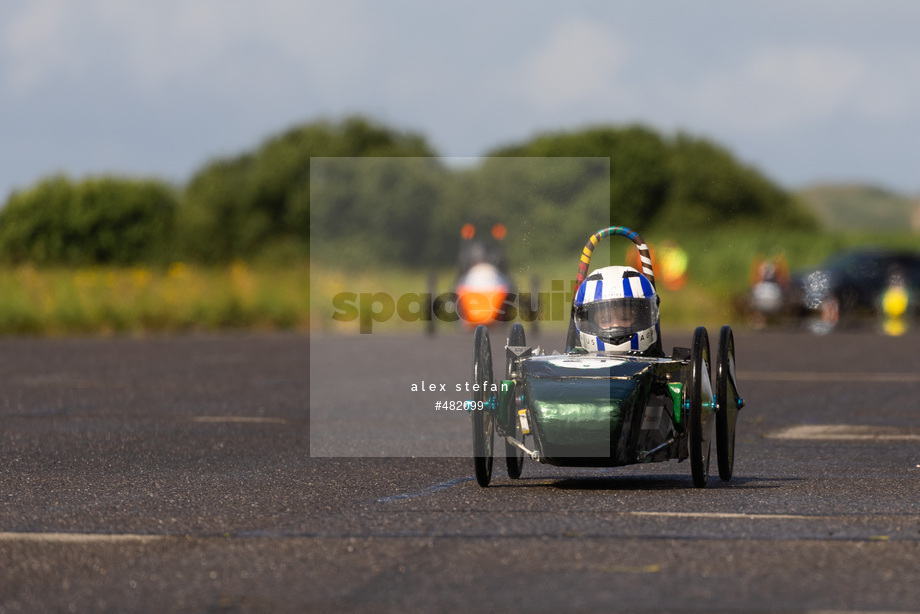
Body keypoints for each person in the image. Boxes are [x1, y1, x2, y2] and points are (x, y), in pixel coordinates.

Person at [572, 265, 663, 355]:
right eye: (605, 320)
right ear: (590, 323)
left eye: (625, 318)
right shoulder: (572, 366)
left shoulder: (668, 368)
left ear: (643, 318)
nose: (615, 325)